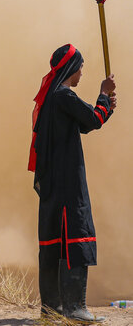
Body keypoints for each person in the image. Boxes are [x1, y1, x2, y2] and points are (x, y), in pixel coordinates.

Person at [29, 44, 116, 323]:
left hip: (53, 183)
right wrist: (103, 95)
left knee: (54, 240)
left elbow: (88, 123)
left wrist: (105, 107)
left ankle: (51, 310)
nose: (82, 72)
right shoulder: (64, 96)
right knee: (74, 234)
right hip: (67, 181)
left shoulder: (51, 98)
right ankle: (75, 309)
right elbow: (93, 118)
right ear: (71, 68)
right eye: (80, 67)